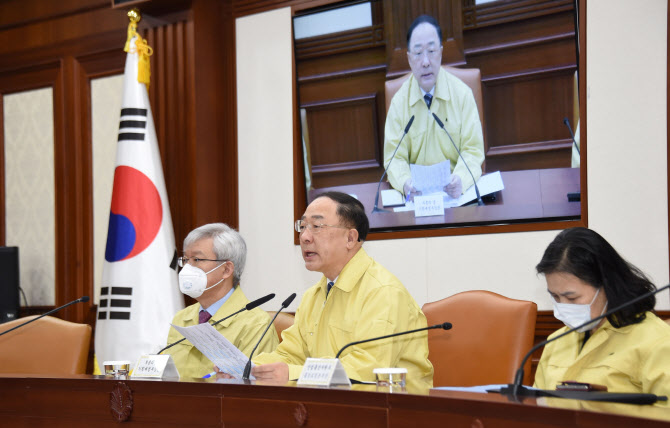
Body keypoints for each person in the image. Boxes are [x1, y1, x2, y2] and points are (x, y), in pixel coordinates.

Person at [241, 191, 433, 390]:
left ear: (350, 238)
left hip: (394, 412)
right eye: (303, 226)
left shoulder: (384, 292)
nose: (305, 237)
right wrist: (247, 369)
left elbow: (367, 370)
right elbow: (290, 355)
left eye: (316, 226)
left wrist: (292, 374)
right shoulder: (314, 295)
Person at [534, 227, 670, 405]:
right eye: (555, 297)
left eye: (571, 297)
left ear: (606, 286)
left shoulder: (657, 342)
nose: (563, 307)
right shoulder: (555, 342)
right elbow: (536, 409)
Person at [384, 15, 484, 199]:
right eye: (418, 53)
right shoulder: (399, 103)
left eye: (431, 50)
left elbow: (473, 150)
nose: (425, 61)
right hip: (416, 199)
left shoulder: (462, 94)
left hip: (456, 198)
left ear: (441, 52)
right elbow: (394, 158)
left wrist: (460, 180)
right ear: (408, 58)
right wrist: (405, 183)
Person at [166, 223, 278, 379]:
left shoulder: (256, 324)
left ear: (226, 269)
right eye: (185, 259)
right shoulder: (181, 318)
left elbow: (254, 390)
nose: (187, 268)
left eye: (196, 259)